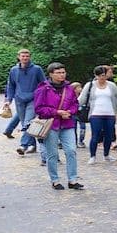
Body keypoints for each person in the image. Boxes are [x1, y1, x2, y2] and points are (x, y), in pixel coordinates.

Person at [33, 63, 82, 191]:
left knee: (71, 150)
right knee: (52, 154)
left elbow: (75, 104)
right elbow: (39, 108)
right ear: (51, 74)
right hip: (51, 125)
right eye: (58, 73)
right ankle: (55, 180)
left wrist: (70, 112)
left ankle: (72, 180)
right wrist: (57, 112)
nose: (62, 75)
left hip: (67, 123)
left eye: (63, 72)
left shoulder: (69, 88)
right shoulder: (43, 89)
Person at [5, 49, 47, 155]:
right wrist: (8, 100)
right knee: (25, 123)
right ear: (18, 57)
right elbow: (11, 86)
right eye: (23, 56)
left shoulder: (37, 69)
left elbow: (44, 84)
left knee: (28, 122)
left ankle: (23, 146)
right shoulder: (14, 70)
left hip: (33, 99)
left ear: (30, 57)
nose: (25, 58)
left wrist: (43, 97)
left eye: (27, 56)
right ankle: (32, 145)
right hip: (19, 100)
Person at [79, 65, 117, 164]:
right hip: (95, 114)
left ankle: (106, 155)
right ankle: (92, 156)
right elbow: (82, 98)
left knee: (109, 135)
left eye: (103, 75)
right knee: (95, 135)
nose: (102, 78)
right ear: (95, 76)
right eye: (99, 76)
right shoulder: (90, 85)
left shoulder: (111, 85)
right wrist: (74, 107)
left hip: (110, 113)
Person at [70, 82, 87, 148]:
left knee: (83, 127)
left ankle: (81, 141)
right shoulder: (70, 96)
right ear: (74, 89)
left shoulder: (83, 96)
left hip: (81, 114)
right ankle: (75, 141)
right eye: (79, 87)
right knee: (73, 128)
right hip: (73, 114)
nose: (81, 89)